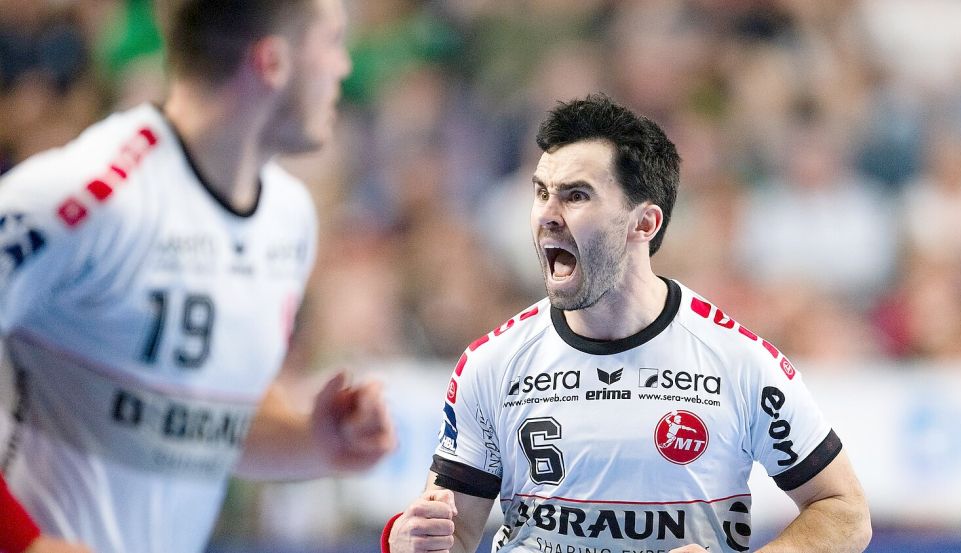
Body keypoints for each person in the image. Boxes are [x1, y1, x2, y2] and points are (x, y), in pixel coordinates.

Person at [384, 94, 870, 553]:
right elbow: (452, 532)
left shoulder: (738, 360)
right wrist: (409, 541)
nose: (546, 216)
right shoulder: (490, 364)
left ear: (644, 224)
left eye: (576, 196)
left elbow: (845, 511)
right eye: (541, 193)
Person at [0, 1, 396, 552]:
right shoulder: (87, 198)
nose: (343, 66)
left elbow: (195, 421)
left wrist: (311, 438)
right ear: (272, 63)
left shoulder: (289, 218)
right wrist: (25, 543)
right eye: (330, 41)